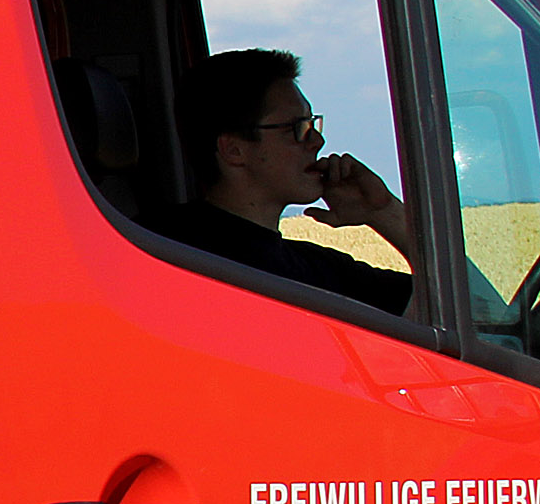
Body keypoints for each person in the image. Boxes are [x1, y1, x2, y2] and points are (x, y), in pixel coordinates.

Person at [153, 46, 416, 314]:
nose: (317, 141)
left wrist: (382, 211)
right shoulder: (160, 255)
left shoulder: (317, 269)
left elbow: (453, 312)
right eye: (297, 128)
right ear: (234, 150)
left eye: (312, 124)